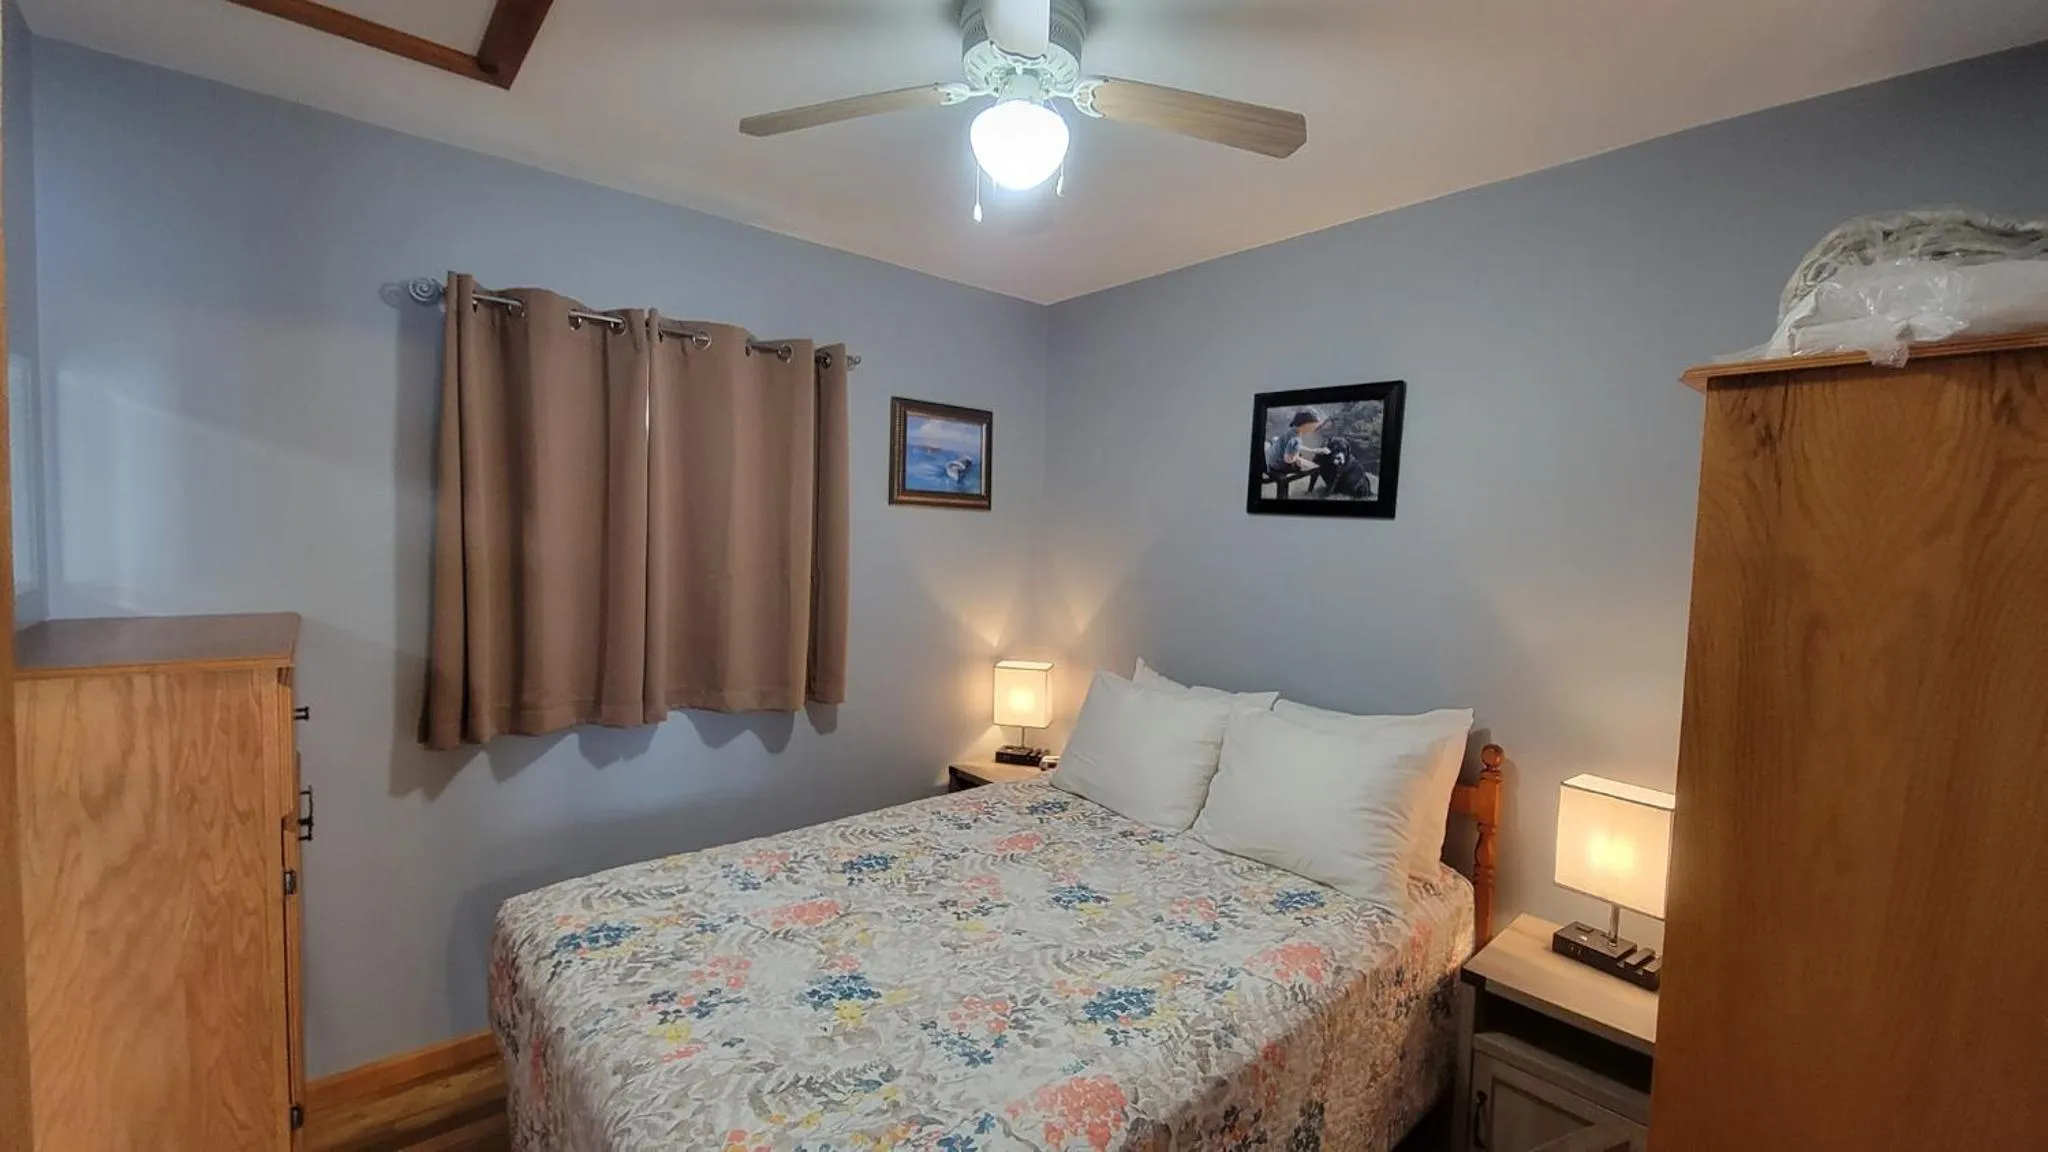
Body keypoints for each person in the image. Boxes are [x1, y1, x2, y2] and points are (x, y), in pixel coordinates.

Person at [1265, 409, 1323, 495]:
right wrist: (1297, 459)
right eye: (1313, 427)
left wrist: (1313, 450)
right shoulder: (1296, 439)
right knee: (1310, 466)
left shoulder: (1290, 430)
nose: (1313, 430)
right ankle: (1309, 490)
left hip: (1270, 459)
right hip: (1277, 466)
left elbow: (1292, 446)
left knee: (1299, 455)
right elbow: (1287, 459)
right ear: (1305, 424)